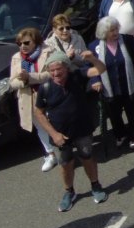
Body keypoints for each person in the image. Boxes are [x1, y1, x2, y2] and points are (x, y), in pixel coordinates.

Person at [34, 50, 109, 212]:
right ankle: (69, 192)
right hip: (60, 135)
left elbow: (101, 69)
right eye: (51, 70)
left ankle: (96, 186)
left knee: (87, 157)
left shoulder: (78, 76)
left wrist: (92, 58)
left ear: (67, 68)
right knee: (65, 163)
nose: (55, 73)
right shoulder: (45, 88)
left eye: (58, 69)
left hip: (82, 129)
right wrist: (54, 134)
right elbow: (39, 113)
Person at [89, 17, 134, 151]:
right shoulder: (94, 46)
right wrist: (95, 80)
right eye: (111, 30)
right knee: (114, 115)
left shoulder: (128, 40)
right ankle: (120, 135)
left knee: (133, 112)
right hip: (109, 88)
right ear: (103, 32)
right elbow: (90, 66)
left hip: (129, 85)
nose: (115, 32)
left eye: (116, 29)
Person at [8, 27, 58, 172]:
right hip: (29, 98)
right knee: (40, 127)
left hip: (48, 94)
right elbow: (12, 83)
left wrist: (30, 77)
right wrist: (23, 81)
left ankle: (65, 150)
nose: (22, 46)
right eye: (19, 43)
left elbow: (52, 74)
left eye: (26, 43)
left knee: (56, 122)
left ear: (35, 41)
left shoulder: (48, 51)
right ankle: (50, 154)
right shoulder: (17, 57)